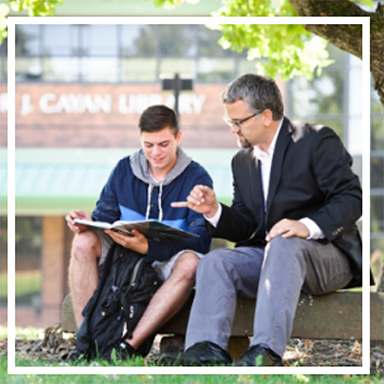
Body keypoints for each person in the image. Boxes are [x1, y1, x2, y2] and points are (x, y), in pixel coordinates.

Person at [162, 73, 363, 366]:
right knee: (215, 262)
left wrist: (305, 226)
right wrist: (214, 210)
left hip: (327, 258)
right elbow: (246, 224)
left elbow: (351, 197)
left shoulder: (316, 140)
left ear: (266, 116)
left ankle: (265, 352)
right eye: (229, 122)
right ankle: (205, 349)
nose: (233, 130)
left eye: (238, 122)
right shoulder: (242, 161)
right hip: (271, 259)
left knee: (284, 242)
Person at [66, 104, 212, 358]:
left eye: (163, 144)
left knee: (191, 263)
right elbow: (105, 218)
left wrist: (149, 248)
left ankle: (128, 347)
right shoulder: (124, 169)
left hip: (168, 261)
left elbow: (201, 242)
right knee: (83, 241)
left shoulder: (196, 177)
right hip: (125, 257)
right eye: (148, 145)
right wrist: (87, 223)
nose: (155, 153)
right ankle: (85, 343)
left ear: (178, 138)